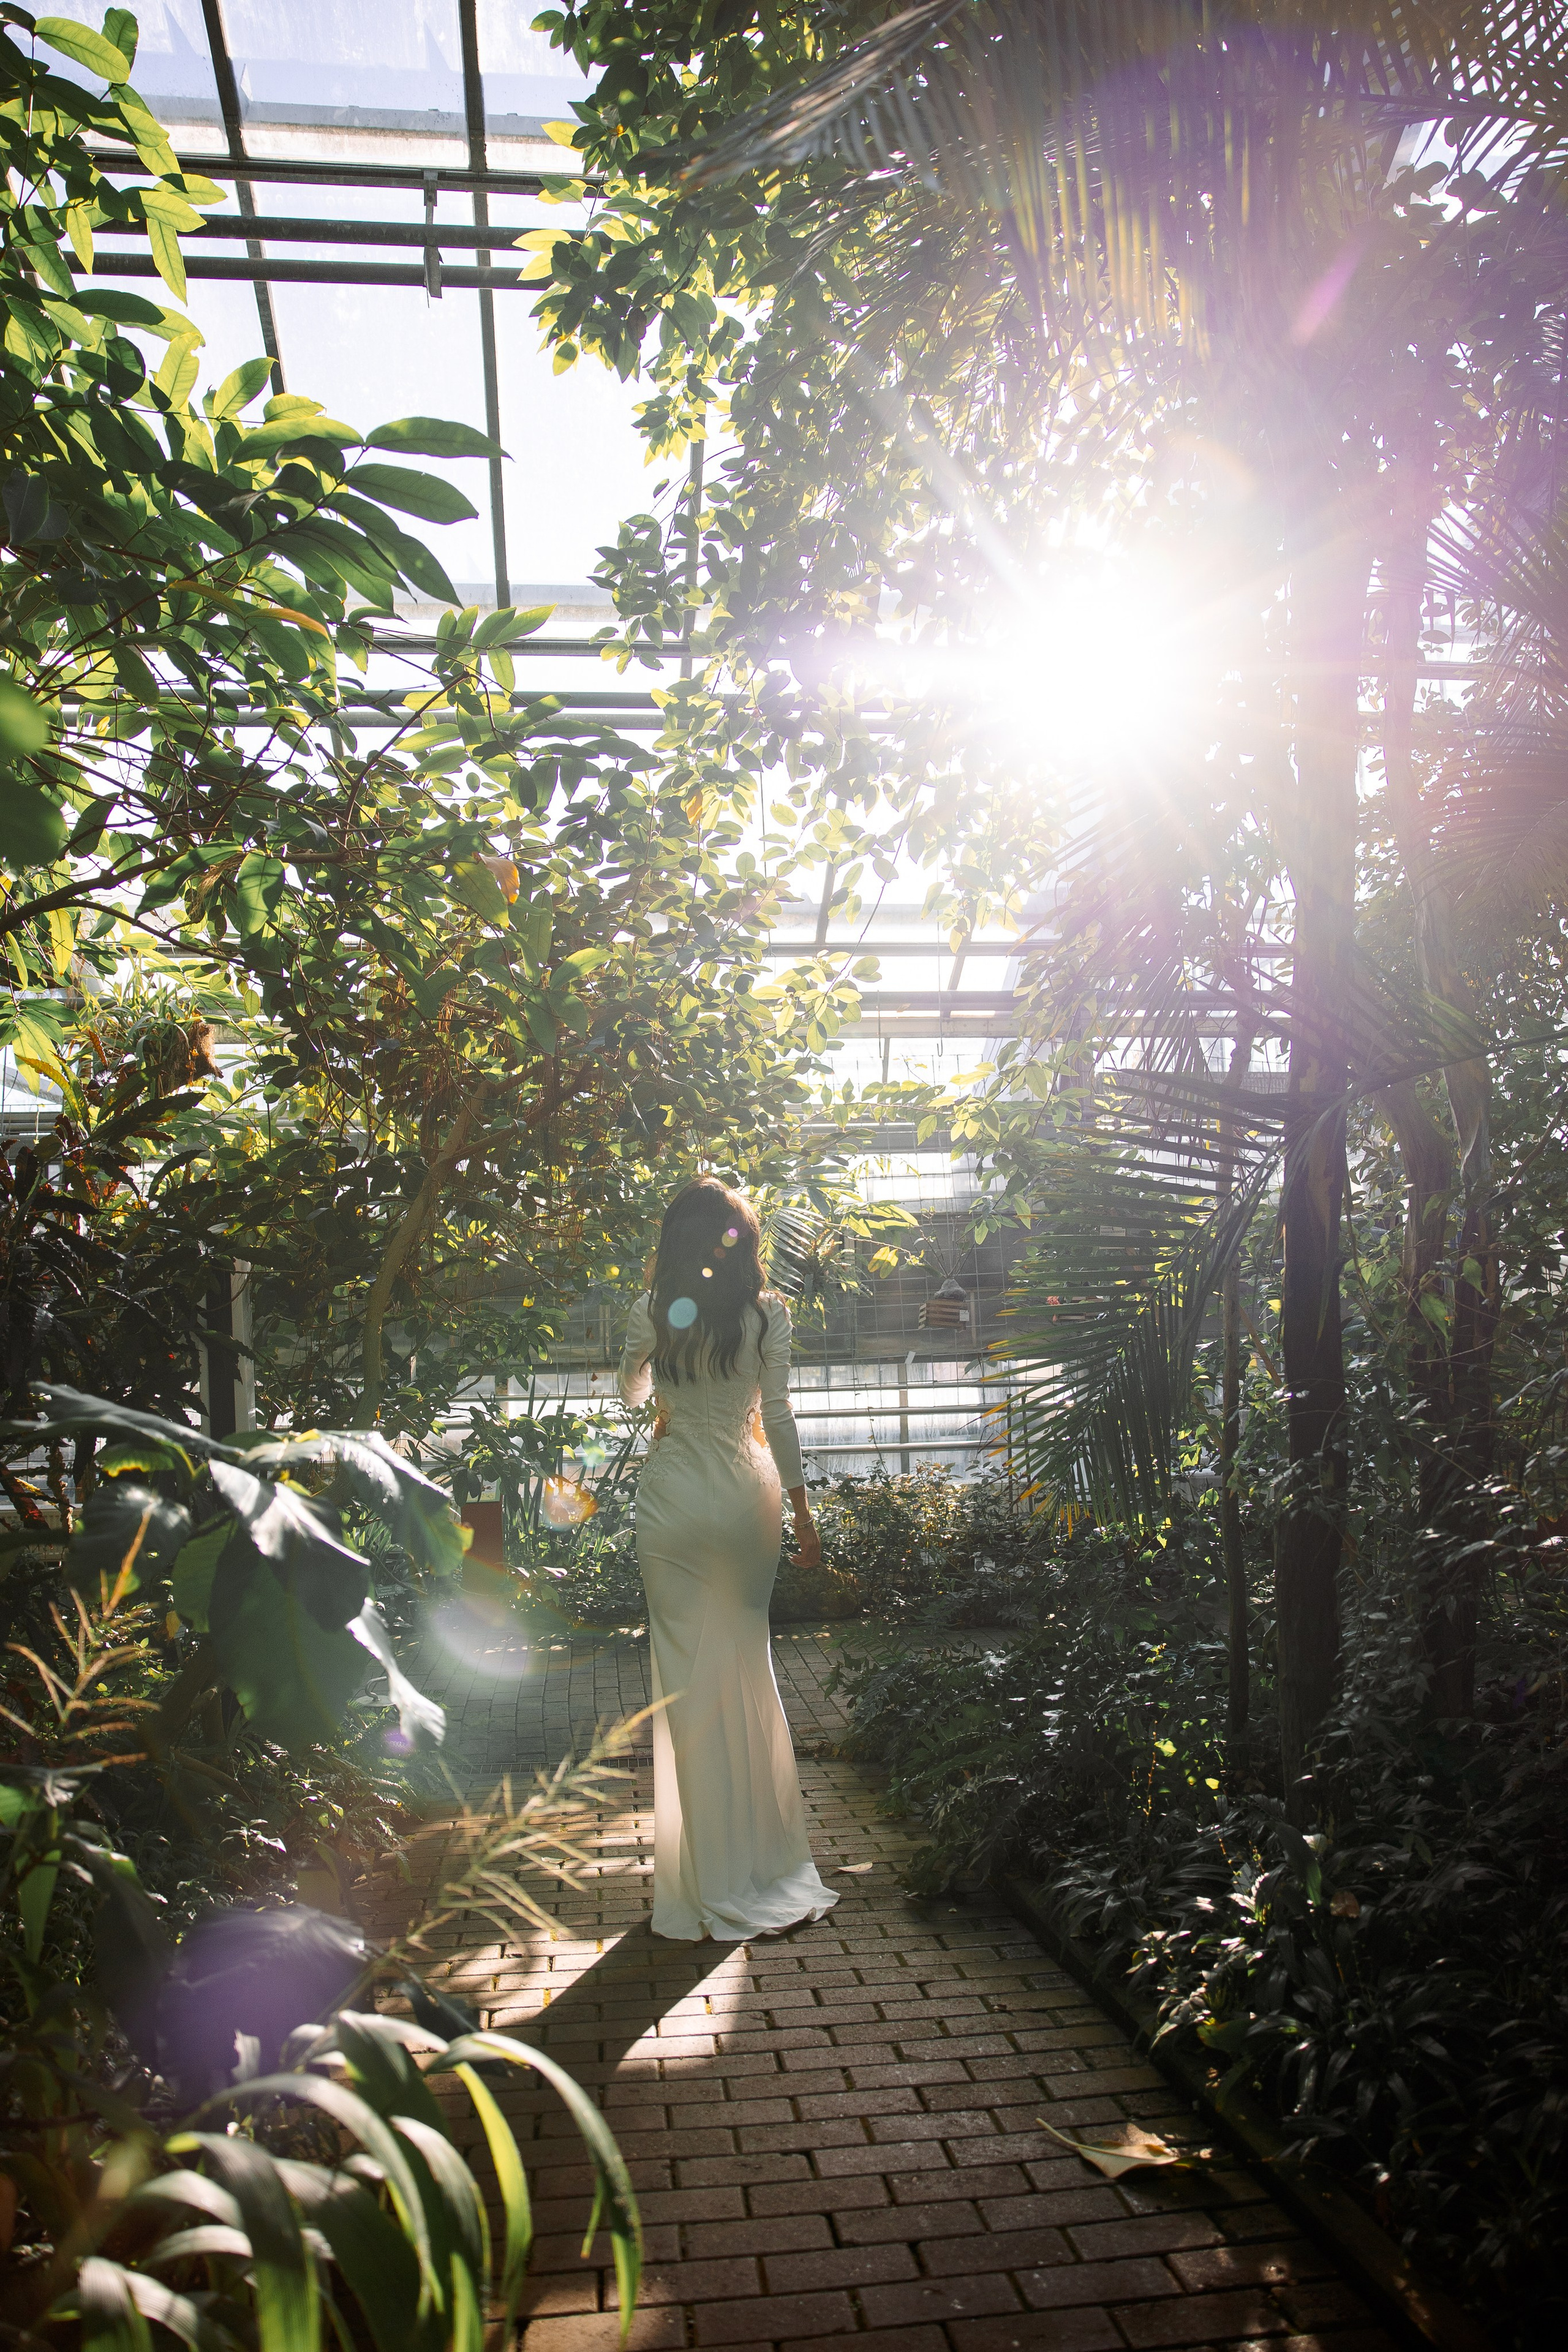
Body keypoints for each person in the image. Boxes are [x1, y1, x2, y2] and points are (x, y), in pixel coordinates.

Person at [618, 1177, 840, 1941]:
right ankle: (763, 1860)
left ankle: (701, 1876)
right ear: (742, 1243)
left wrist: (663, 1386)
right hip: (749, 1497)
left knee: (685, 1685)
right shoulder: (768, 1314)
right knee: (748, 1666)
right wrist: (805, 1517)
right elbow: (774, 1415)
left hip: (674, 1494)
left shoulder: (651, 1310)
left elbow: (629, 1391)